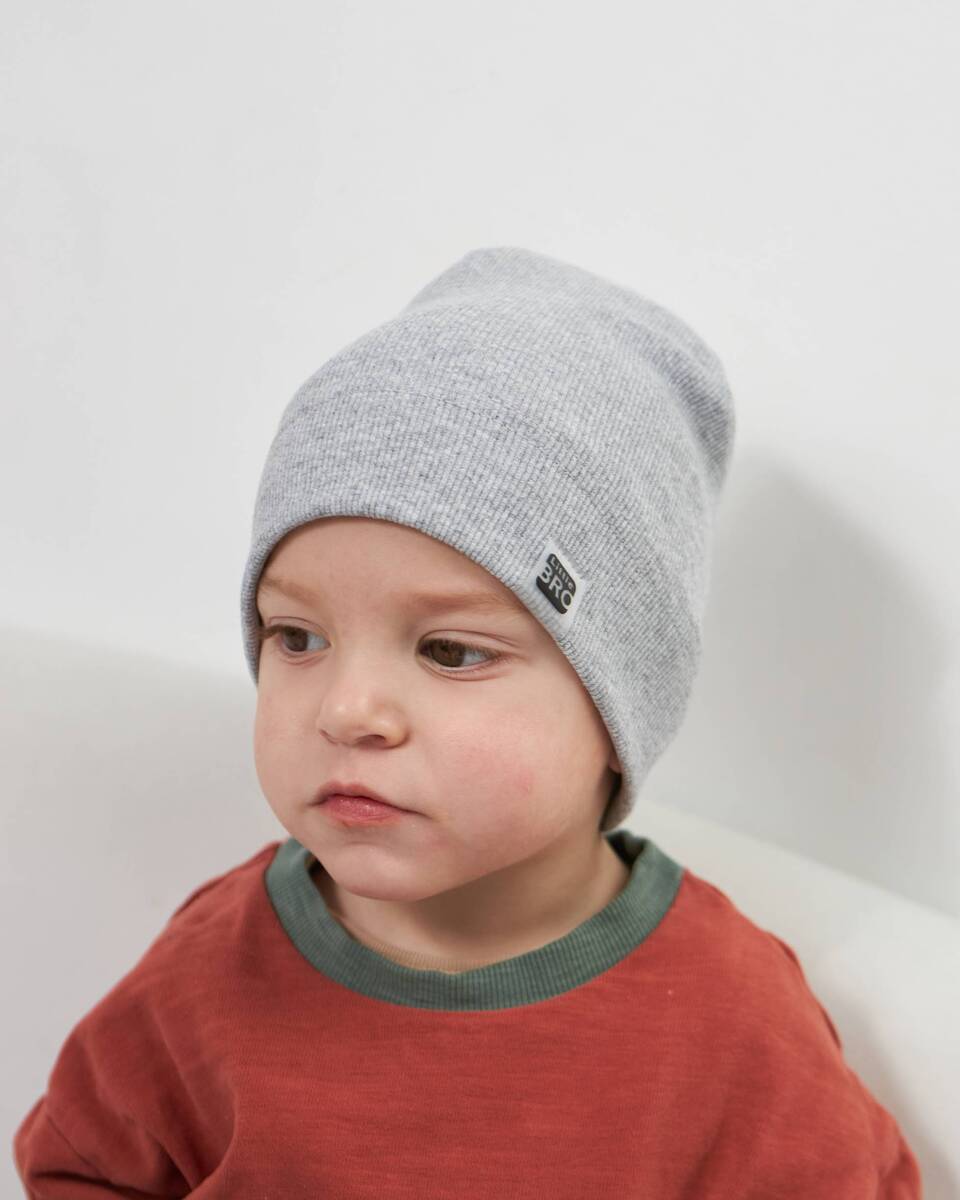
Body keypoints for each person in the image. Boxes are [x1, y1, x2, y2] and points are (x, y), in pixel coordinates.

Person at [13, 247, 922, 1196]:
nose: (348, 710)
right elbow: (81, 1169)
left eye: (450, 651)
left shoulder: (733, 1026)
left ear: (619, 706)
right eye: (298, 636)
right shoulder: (211, 972)